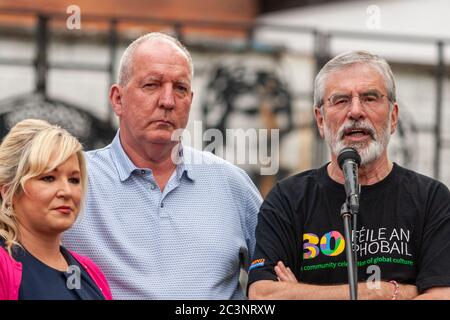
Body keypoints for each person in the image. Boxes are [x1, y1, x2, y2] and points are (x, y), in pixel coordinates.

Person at [62, 32, 262, 299]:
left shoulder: (231, 184)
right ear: (118, 99)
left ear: (190, 100)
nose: (168, 101)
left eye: (179, 88)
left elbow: (274, 283)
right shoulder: (74, 181)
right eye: (152, 85)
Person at [247, 51, 450, 300]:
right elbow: (263, 296)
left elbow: (441, 296)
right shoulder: (287, 199)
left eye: (370, 98)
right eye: (341, 100)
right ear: (320, 120)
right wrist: (383, 292)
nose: (355, 111)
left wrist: (299, 293)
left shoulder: (432, 199)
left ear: (393, 117)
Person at [0, 119, 112, 300]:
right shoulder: (4, 267)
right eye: (49, 178)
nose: (67, 192)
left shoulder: (91, 272)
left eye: (74, 180)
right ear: (9, 191)